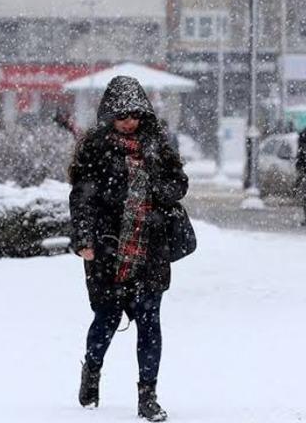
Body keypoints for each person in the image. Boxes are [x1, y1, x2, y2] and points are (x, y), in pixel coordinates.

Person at [69, 76, 189, 422]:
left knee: (150, 323)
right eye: (122, 115)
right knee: (106, 319)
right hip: (109, 250)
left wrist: (160, 191)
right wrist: (84, 239)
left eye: (135, 114)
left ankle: (147, 395)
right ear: (109, 114)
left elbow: (178, 183)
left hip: (150, 248)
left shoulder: (158, 145)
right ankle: (92, 371)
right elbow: (83, 198)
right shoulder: (95, 148)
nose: (129, 121)